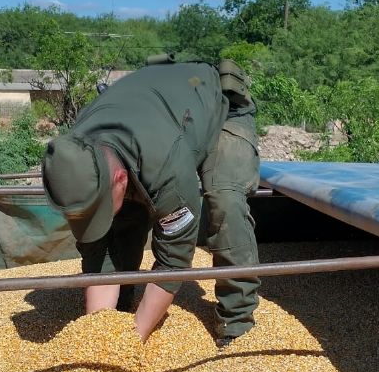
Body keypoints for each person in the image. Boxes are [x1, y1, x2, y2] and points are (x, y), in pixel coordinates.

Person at [42, 59, 260, 347]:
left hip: (220, 109)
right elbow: (98, 250)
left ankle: (237, 320)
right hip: (162, 118)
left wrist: (132, 341)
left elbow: (174, 259)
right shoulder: (76, 154)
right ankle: (122, 299)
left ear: (121, 179)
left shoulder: (165, 167)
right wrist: (98, 331)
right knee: (121, 217)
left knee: (224, 198)